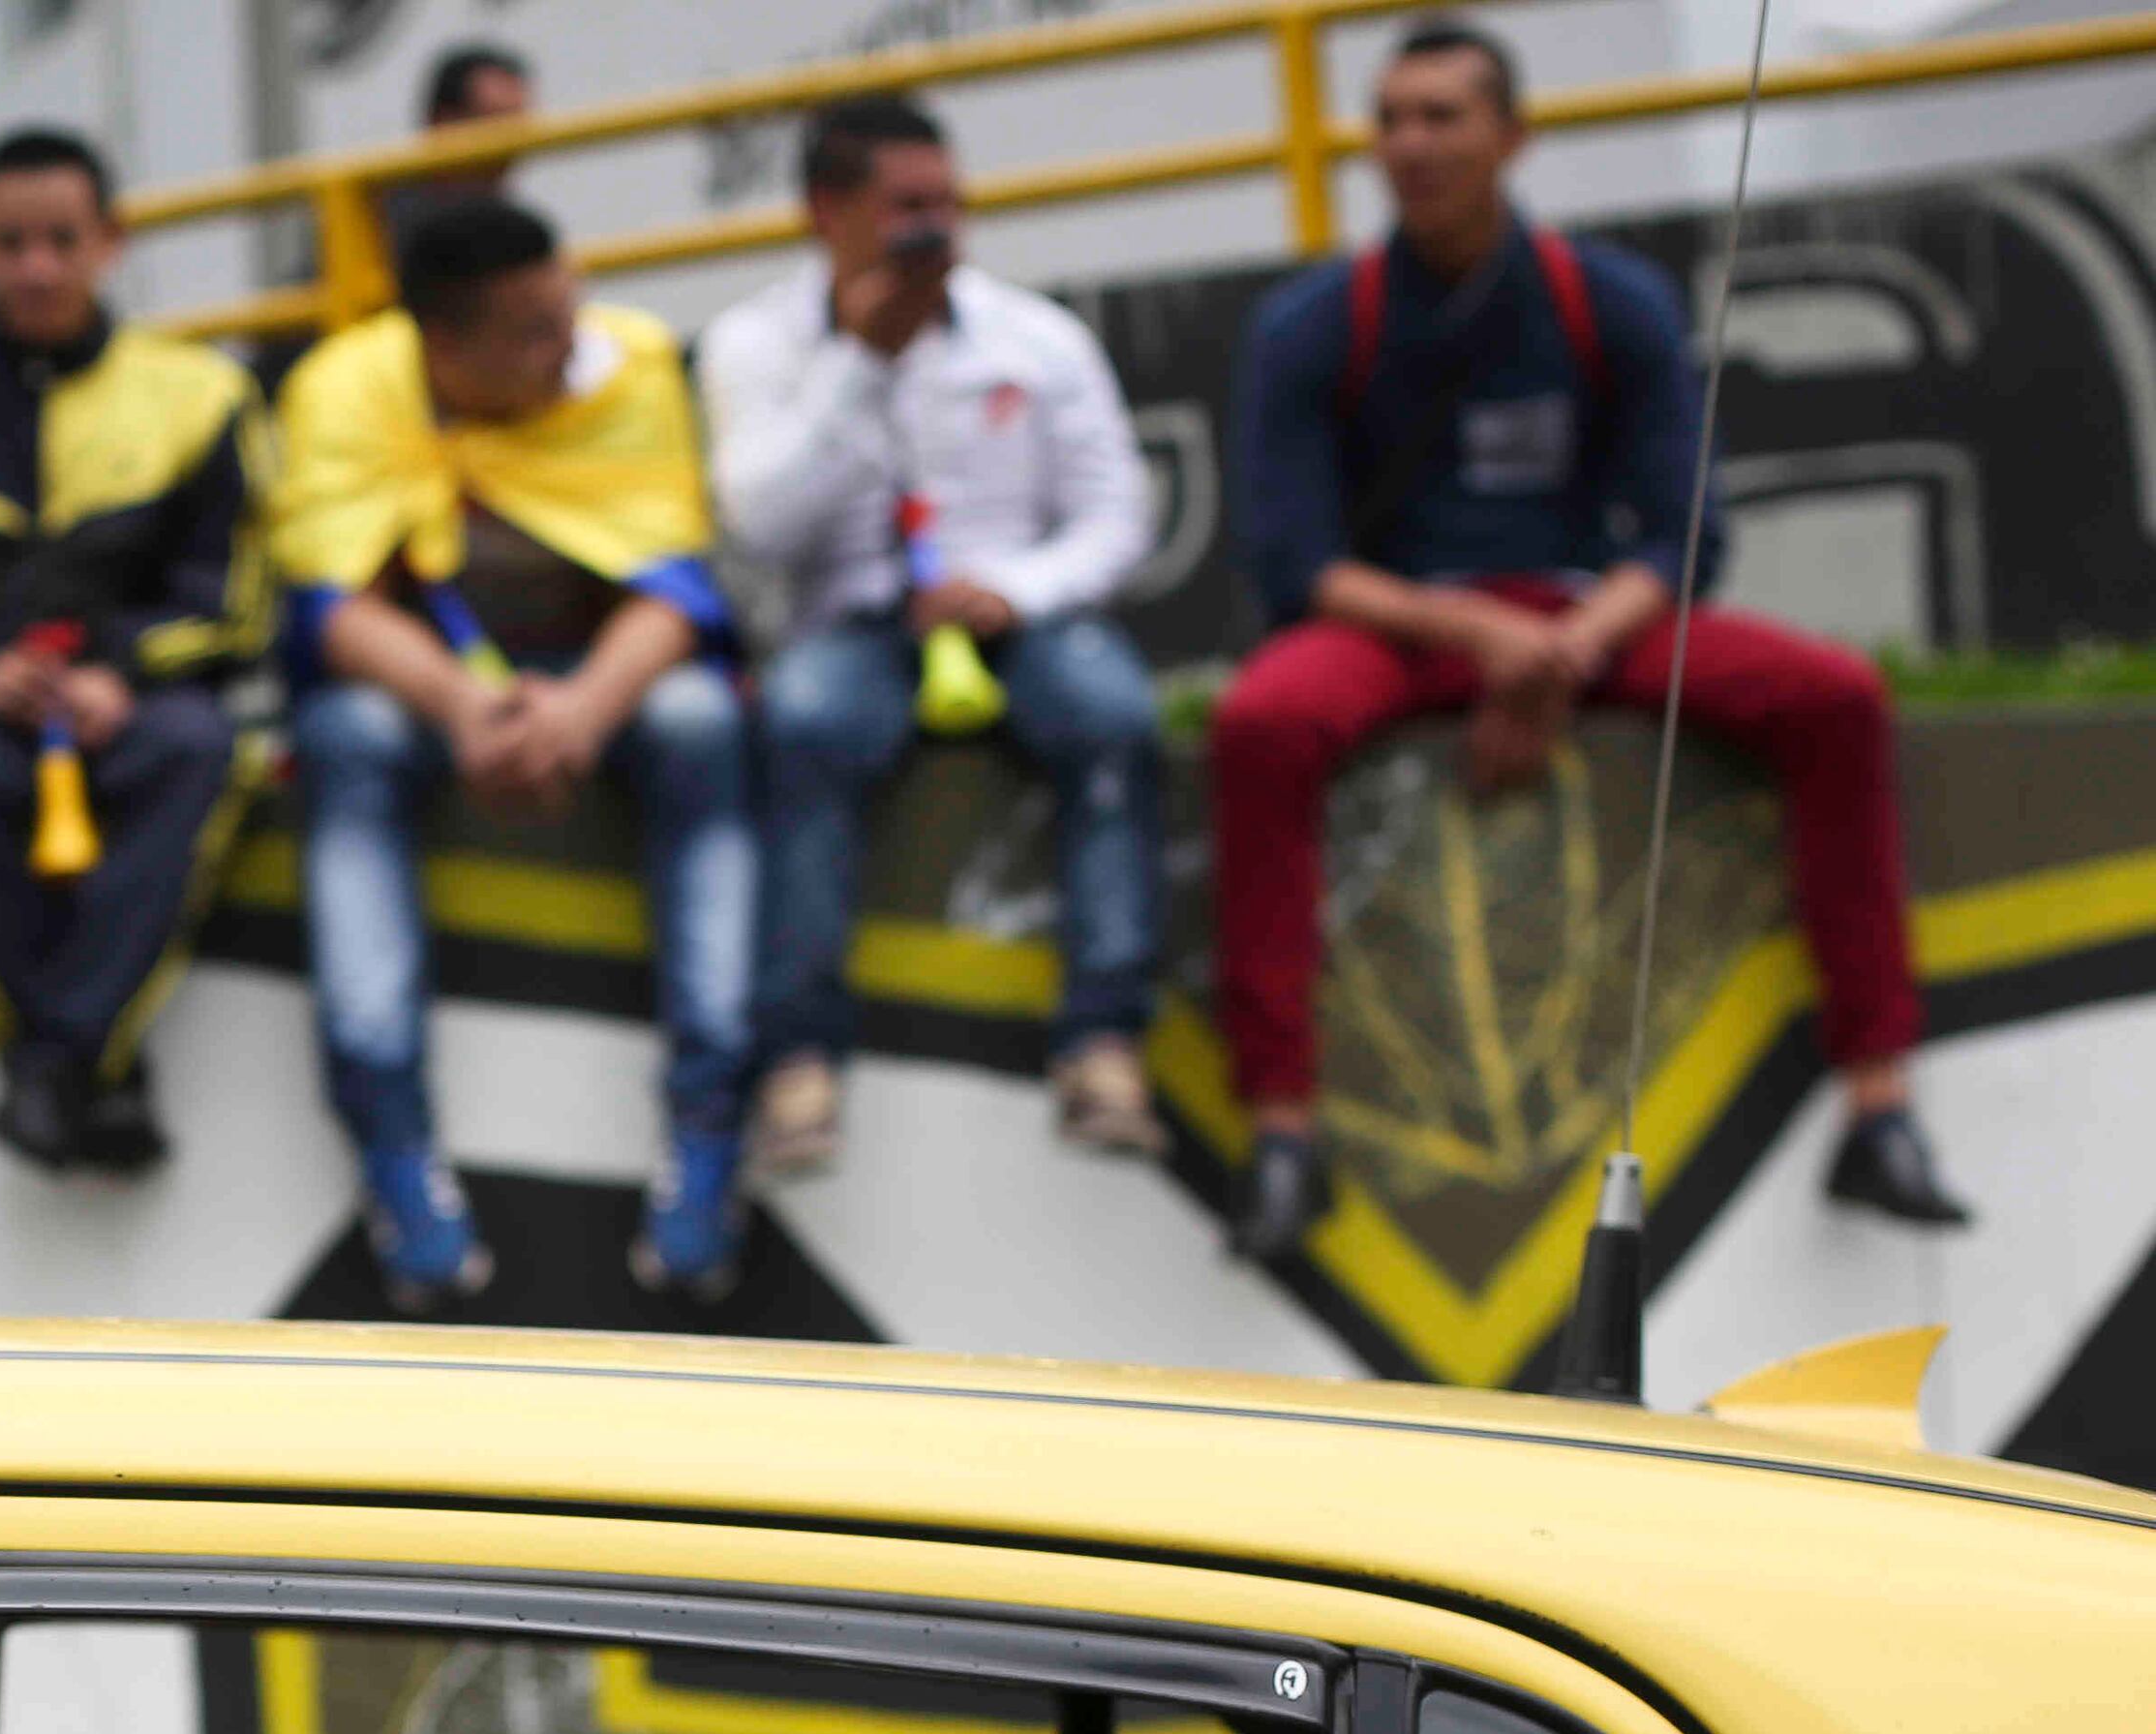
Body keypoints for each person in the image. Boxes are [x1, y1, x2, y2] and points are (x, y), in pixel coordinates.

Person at [1213, 17, 1968, 1262]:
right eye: (1389, 119)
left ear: (1511, 136)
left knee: (1832, 697)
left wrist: (1559, 650)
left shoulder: (1605, 299)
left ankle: (1877, 1109)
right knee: (1257, 726)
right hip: (1409, 623)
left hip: (1581, 618)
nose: (1407, 144)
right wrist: (1475, 634)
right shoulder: (1311, 322)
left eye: (1440, 117)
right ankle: (1282, 1130)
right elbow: (1298, 569)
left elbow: (1682, 536)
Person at [275, 195, 758, 1302]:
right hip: (433, 698)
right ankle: (392, 1143)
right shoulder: (342, 389)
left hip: (598, 693)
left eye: (569, 306)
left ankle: (708, 1122)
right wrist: (458, 705)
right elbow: (327, 608)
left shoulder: (626, 362)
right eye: (534, 330)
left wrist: (581, 712)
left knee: (699, 719)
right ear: (440, 347)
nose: (570, 341)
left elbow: (677, 590)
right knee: (343, 733)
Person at [702, 92, 1166, 1177]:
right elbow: (758, 528)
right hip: (853, 624)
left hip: (1018, 615)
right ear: (826, 209)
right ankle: (797, 1065)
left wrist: (1011, 586)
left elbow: (1116, 514)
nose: (935, 231)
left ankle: (1104, 1043)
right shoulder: (755, 342)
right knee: (801, 722)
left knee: (1112, 713)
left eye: (947, 204)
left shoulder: (1035, 337)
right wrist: (860, 362)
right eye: (906, 207)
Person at [0, 127, 273, 1173]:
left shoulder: (202, 392)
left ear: (110, 243)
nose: (36, 266)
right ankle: (96, 1068)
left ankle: (53, 1062)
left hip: (139, 704)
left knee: (199, 748)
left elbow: (231, 594)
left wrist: (115, 671)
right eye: (10, 241)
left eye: (60, 239)